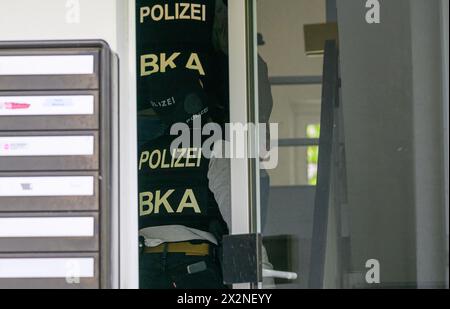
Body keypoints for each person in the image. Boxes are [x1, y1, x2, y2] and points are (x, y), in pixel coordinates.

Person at [137, 0, 230, 289]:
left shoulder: (140, 153)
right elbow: (236, 209)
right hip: (192, 265)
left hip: (148, 267)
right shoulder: (215, 146)